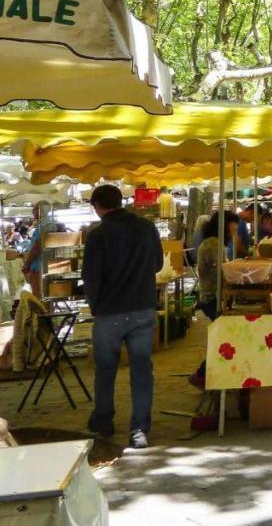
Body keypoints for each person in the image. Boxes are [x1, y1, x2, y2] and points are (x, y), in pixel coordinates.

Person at [82, 184, 164, 449]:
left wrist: (95, 307)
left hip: (109, 312)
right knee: (142, 370)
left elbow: (90, 277)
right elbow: (158, 265)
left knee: (106, 370)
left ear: (97, 206)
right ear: (121, 201)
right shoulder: (146, 228)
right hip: (142, 308)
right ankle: (139, 429)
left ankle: (104, 421)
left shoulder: (98, 235)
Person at [189, 210, 237, 389]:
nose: (235, 231)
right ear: (224, 226)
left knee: (223, 337)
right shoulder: (213, 244)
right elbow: (220, 273)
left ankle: (207, 374)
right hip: (211, 298)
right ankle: (201, 374)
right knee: (223, 338)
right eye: (233, 227)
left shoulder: (215, 243)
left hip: (214, 296)